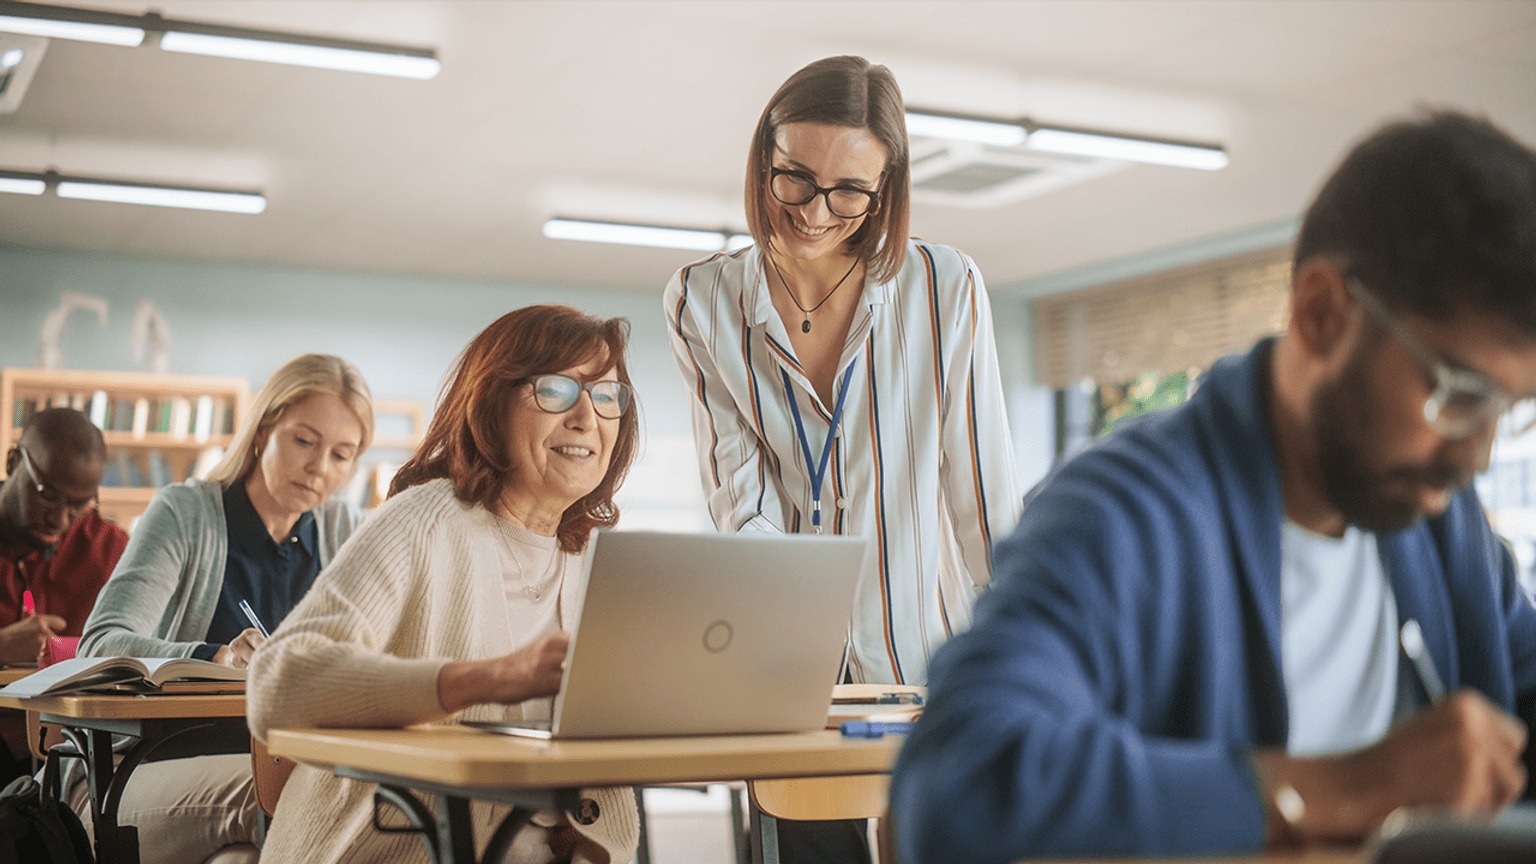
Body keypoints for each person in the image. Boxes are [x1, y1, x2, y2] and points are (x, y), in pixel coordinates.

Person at [890, 110, 1536, 862]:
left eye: (1505, 410)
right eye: (1457, 393)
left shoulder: (1436, 523)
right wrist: (1347, 786)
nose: (1477, 455)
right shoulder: (1121, 514)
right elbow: (952, 790)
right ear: (1323, 314)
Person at [663, 55, 1021, 689]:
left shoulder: (943, 288)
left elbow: (985, 503)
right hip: (783, 677)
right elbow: (739, 499)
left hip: (925, 677)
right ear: (762, 162)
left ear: (886, 188)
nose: (815, 211)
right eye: (794, 178)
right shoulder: (702, 299)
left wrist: (1027, 660)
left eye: (850, 190)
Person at [248, 305, 641, 864]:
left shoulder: (608, 564)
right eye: (556, 390)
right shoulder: (421, 521)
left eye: (608, 396)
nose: (587, 417)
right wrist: (489, 679)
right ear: (491, 404)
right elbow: (275, 684)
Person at [74, 352, 374, 864]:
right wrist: (213, 657)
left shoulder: (345, 531)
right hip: (134, 773)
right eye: (304, 440)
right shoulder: (184, 513)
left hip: (273, 771)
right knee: (293, 801)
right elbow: (99, 645)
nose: (319, 468)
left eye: (342, 455)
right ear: (262, 432)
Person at [0, 407, 128, 780]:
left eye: (79, 505)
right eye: (49, 496)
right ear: (13, 463)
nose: (59, 520)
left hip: (77, 753)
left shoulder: (108, 548)